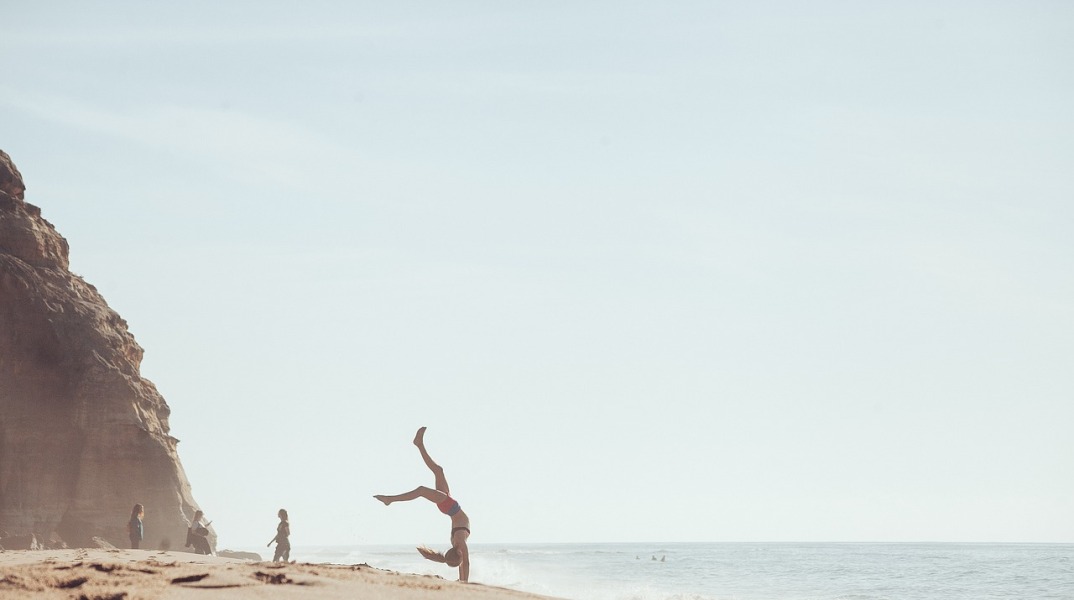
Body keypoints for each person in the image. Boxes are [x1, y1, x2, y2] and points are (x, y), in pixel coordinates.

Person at [374, 426, 471, 582]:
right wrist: (462, 581)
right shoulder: (456, 544)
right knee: (438, 470)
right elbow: (463, 564)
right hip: (449, 507)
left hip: (449, 506)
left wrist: (465, 582)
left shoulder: (459, 542)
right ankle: (419, 444)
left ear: (459, 554)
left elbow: (465, 563)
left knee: (421, 490)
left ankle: (390, 499)